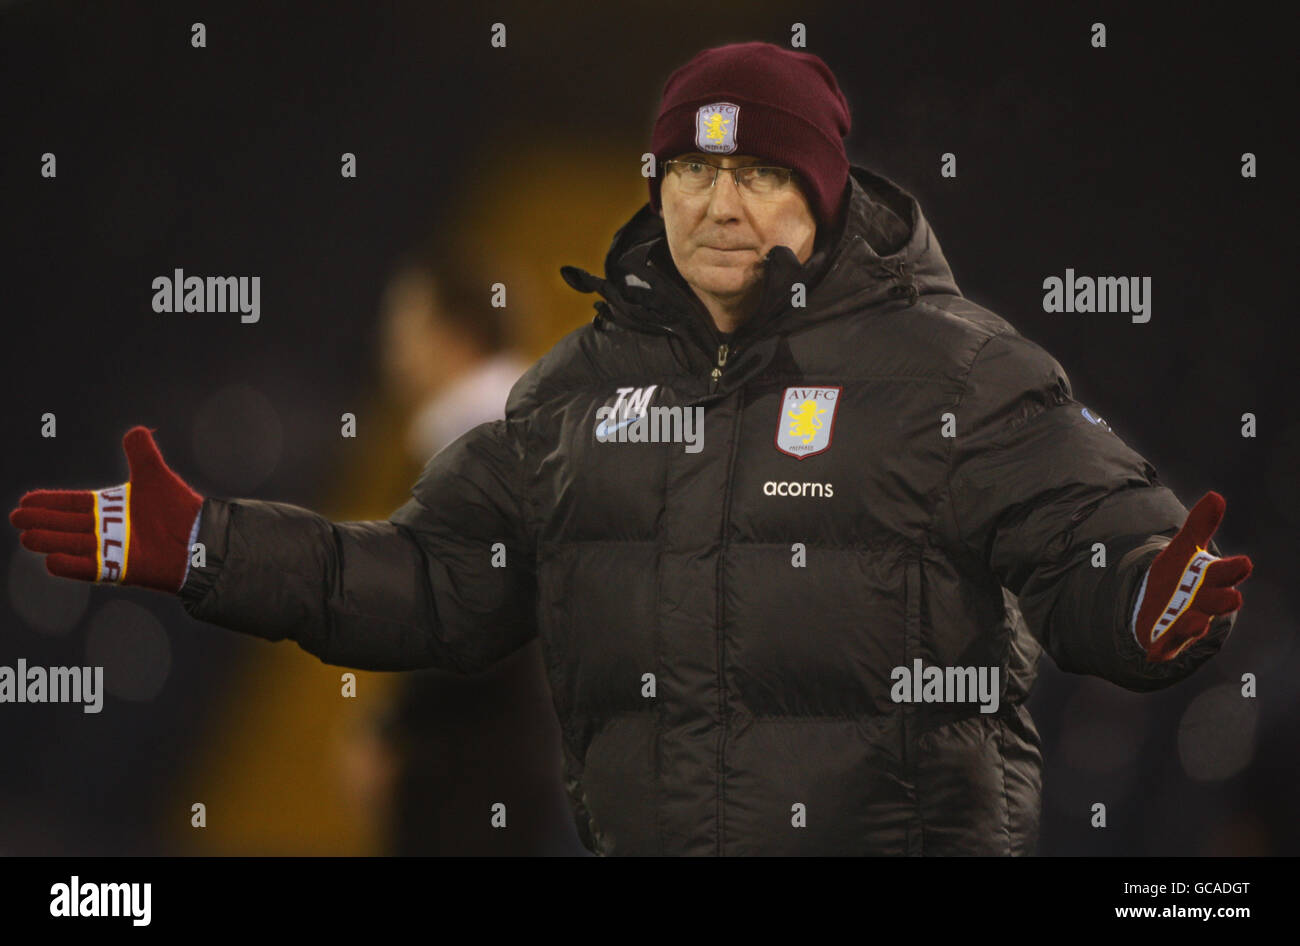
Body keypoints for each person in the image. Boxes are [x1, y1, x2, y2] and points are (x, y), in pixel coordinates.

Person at [10, 42, 1253, 856]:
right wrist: (217, 549)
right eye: (691, 169)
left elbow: (1082, 537)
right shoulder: (574, 396)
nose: (719, 204)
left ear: (826, 198)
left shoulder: (961, 373)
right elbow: (434, 583)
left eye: (760, 171)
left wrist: (1141, 602)